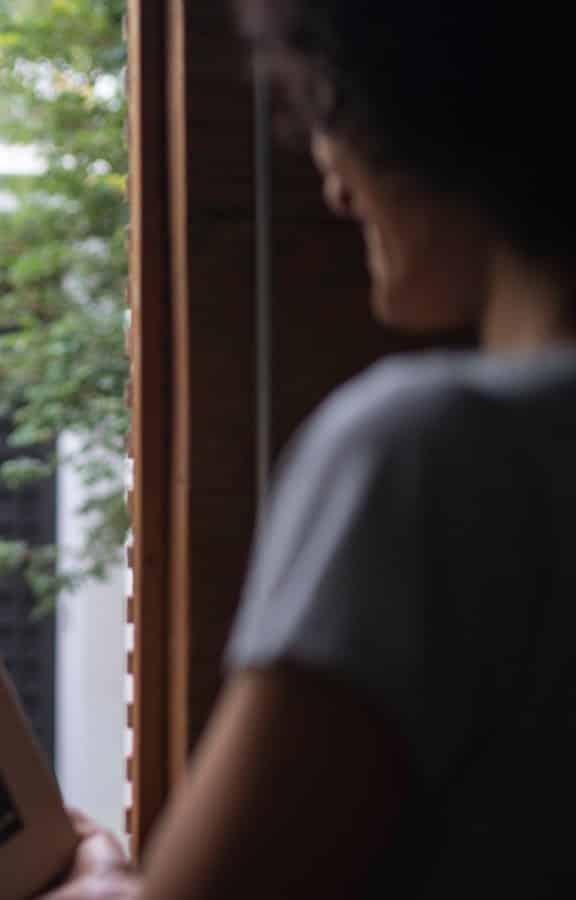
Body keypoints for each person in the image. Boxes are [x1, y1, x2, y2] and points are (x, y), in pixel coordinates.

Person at [46, 2, 576, 897]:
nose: (333, 186)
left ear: (438, 112)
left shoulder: (431, 455)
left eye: (336, 111)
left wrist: (98, 880)